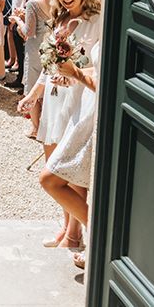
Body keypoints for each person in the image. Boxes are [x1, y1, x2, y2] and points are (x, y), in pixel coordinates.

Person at [17, 0, 101, 250]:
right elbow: (49, 65)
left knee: (71, 169)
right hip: (54, 97)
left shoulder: (96, 21)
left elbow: (96, 66)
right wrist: (33, 95)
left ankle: (76, 234)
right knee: (53, 163)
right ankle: (66, 228)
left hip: (78, 98)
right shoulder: (59, 19)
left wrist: (75, 71)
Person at [39, 41, 101, 270]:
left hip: (94, 116)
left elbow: (111, 84)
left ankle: (96, 236)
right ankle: (95, 236)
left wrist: (76, 73)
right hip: (85, 112)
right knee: (56, 179)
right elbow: (99, 69)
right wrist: (74, 75)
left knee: (50, 179)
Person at [11, 0, 52, 111]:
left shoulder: (33, 3)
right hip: (50, 45)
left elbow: (28, 32)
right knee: (46, 85)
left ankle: (35, 127)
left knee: (33, 86)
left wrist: (17, 19)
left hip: (35, 47)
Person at [5, 0, 33, 86]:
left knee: (25, 54)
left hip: (25, 22)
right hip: (15, 21)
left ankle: (24, 82)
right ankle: (20, 79)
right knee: (19, 54)